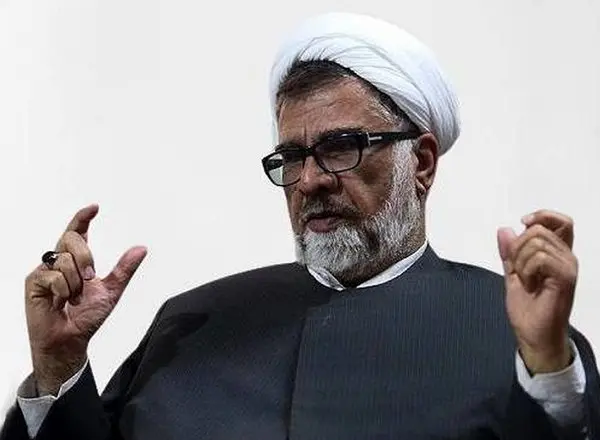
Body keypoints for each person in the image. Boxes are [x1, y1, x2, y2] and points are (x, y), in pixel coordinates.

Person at [2, 12, 599, 440]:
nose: (309, 180)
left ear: (420, 163)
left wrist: (548, 370)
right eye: (291, 157)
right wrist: (59, 364)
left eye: (341, 147)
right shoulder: (191, 324)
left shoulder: (513, 333)